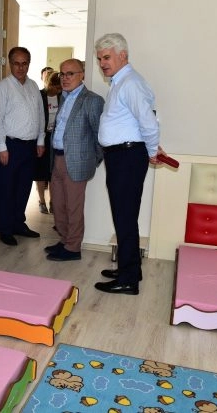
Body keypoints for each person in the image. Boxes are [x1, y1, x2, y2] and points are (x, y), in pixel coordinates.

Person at [94, 33, 165, 294]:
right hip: (122, 156)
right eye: (99, 59)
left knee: (124, 216)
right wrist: (149, 147)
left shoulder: (130, 83)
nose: (102, 63)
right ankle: (130, 268)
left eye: (106, 57)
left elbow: (149, 122)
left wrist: (152, 149)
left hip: (126, 157)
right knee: (124, 216)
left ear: (122, 55)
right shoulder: (121, 81)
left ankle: (128, 280)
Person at [44, 59, 104, 261]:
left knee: (73, 207)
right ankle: (65, 240)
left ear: (82, 75)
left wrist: (92, 160)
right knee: (58, 205)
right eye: (62, 74)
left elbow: (99, 135)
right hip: (57, 159)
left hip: (76, 163)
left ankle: (73, 248)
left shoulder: (92, 100)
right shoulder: (63, 97)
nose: (65, 78)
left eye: (70, 73)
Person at [0, 47, 46, 246]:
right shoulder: (3, 87)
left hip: (30, 146)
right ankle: (5, 229)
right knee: (7, 188)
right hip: (10, 146)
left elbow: (41, 114)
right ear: (9, 63)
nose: (20, 67)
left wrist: (40, 139)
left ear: (29, 64)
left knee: (24, 187)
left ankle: (18, 223)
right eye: (16, 63)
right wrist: (1, 146)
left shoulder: (33, 85)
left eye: (24, 63)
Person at [34, 71, 62, 214]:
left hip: (56, 137)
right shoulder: (40, 95)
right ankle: (42, 201)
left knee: (53, 171)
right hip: (42, 137)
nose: (58, 90)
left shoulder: (62, 97)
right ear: (50, 84)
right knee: (40, 171)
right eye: (56, 87)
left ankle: (53, 201)